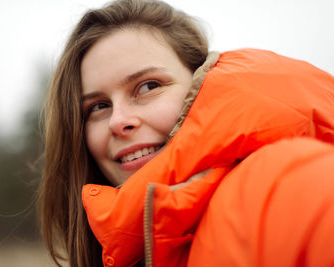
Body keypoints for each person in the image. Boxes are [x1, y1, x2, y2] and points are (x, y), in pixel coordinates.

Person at [38, 0, 334, 266]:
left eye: (148, 86)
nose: (118, 121)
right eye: (98, 106)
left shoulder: (281, 186)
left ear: (199, 84)